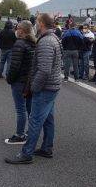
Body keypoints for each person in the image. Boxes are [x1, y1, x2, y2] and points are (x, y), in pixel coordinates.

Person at [5, 13, 63, 164]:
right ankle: (46, 148)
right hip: (53, 86)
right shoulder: (54, 38)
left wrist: (34, 87)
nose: (35, 24)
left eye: (37, 22)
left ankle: (26, 153)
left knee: (35, 120)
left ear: (42, 24)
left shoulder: (45, 42)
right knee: (48, 119)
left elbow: (44, 70)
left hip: (45, 87)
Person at [5, 20, 36, 145]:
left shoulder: (19, 43)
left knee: (20, 109)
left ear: (22, 30)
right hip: (29, 81)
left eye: (17, 28)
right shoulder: (33, 43)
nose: (15, 30)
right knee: (29, 109)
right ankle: (30, 133)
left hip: (19, 81)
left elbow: (14, 66)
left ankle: (19, 135)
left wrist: (9, 79)